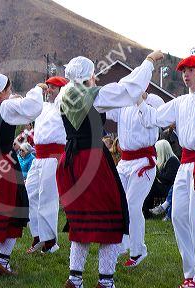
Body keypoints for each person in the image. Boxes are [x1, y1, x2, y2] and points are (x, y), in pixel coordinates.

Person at [57, 50, 163, 288]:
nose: (96, 79)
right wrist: (147, 62)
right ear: (87, 77)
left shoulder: (62, 96)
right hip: (92, 161)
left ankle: (75, 278)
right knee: (113, 219)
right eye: (93, 75)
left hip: (71, 161)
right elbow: (128, 89)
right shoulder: (92, 96)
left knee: (81, 219)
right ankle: (105, 281)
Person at [138, 55, 195, 288]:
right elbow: (154, 117)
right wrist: (139, 99)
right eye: (183, 70)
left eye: (190, 69)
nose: (185, 74)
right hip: (184, 165)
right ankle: (191, 272)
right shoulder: (180, 102)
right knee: (178, 216)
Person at [0, 72, 44, 276]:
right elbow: (32, 107)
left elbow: (10, 104)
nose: (11, 91)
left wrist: (12, 98)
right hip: (3, 163)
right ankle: (2, 259)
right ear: (3, 91)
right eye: (9, 88)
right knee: (15, 208)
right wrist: (38, 89)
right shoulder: (4, 107)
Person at [106, 92, 164, 266]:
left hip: (143, 161)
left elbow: (155, 120)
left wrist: (141, 101)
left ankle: (138, 251)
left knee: (132, 205)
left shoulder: (154, 100)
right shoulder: (123, 103)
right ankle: (121, 245)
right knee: (117, 203)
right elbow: (106, 108)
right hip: (124, 162)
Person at [25, 76, 68, 255]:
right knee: (28, 195)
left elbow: (65, 95)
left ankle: (50, 242)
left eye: (53, 88)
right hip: (38, 157)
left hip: (53, 156)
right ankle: (38, 236)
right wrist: (37, 88)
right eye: (48, 87)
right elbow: (28, 103)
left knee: (47, 199)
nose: (48, 90)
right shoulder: (42, 107)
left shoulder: (63, 105)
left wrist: (63, 88)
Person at [147, 139, 180, 220]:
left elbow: (167, 179)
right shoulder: (165, 160)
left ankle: (147, 211)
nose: (156, 152)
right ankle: (147, 211)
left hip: (169, 188)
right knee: (149, 185)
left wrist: (155, 171)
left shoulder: (172, 160)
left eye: (157, 149)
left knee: (151, 186)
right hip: (166, 187)